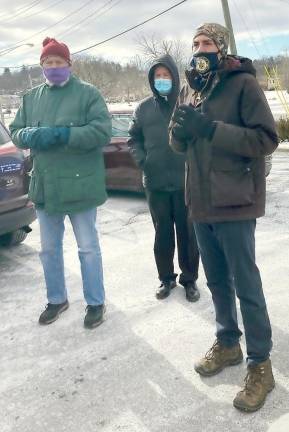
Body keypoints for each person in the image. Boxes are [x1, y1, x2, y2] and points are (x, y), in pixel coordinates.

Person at [169, 23, 278, 412]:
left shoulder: (243, 85)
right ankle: (228, 342)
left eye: (208, 43)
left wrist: (211, 128)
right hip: (200, 202)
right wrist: (180, 131)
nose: (200, 48)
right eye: (195, 42)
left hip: (235, 201)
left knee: (245, 284)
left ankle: (260, 363)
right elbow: (179, 143)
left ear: (222, 47)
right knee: (216, 280)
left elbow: (266, 139)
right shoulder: (190, 87)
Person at [10, 37, 111, 329]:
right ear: (42, 66)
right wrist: (29, 135)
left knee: (88, 248)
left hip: (80, 185)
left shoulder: (88, 94)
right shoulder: (31, 98)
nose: (53, 67)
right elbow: (16, 131)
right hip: (46, 186)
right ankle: (57, 299)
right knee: (49, 249)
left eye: (58, 62)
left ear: (69, 64)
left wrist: (64, 135)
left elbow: (101, 132)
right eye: (48, 63)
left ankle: (95, 302)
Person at [128, 54, 200, 302]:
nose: (161, 80)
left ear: (174, 76)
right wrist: (142, 160)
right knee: (163, 234)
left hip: (184, 182)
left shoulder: (186, 105)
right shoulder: (144, 108)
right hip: (156, 183)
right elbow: (133, 138)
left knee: (188, 234)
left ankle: (189, 279)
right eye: (157, 76)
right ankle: (166, 278)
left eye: (165, 75)